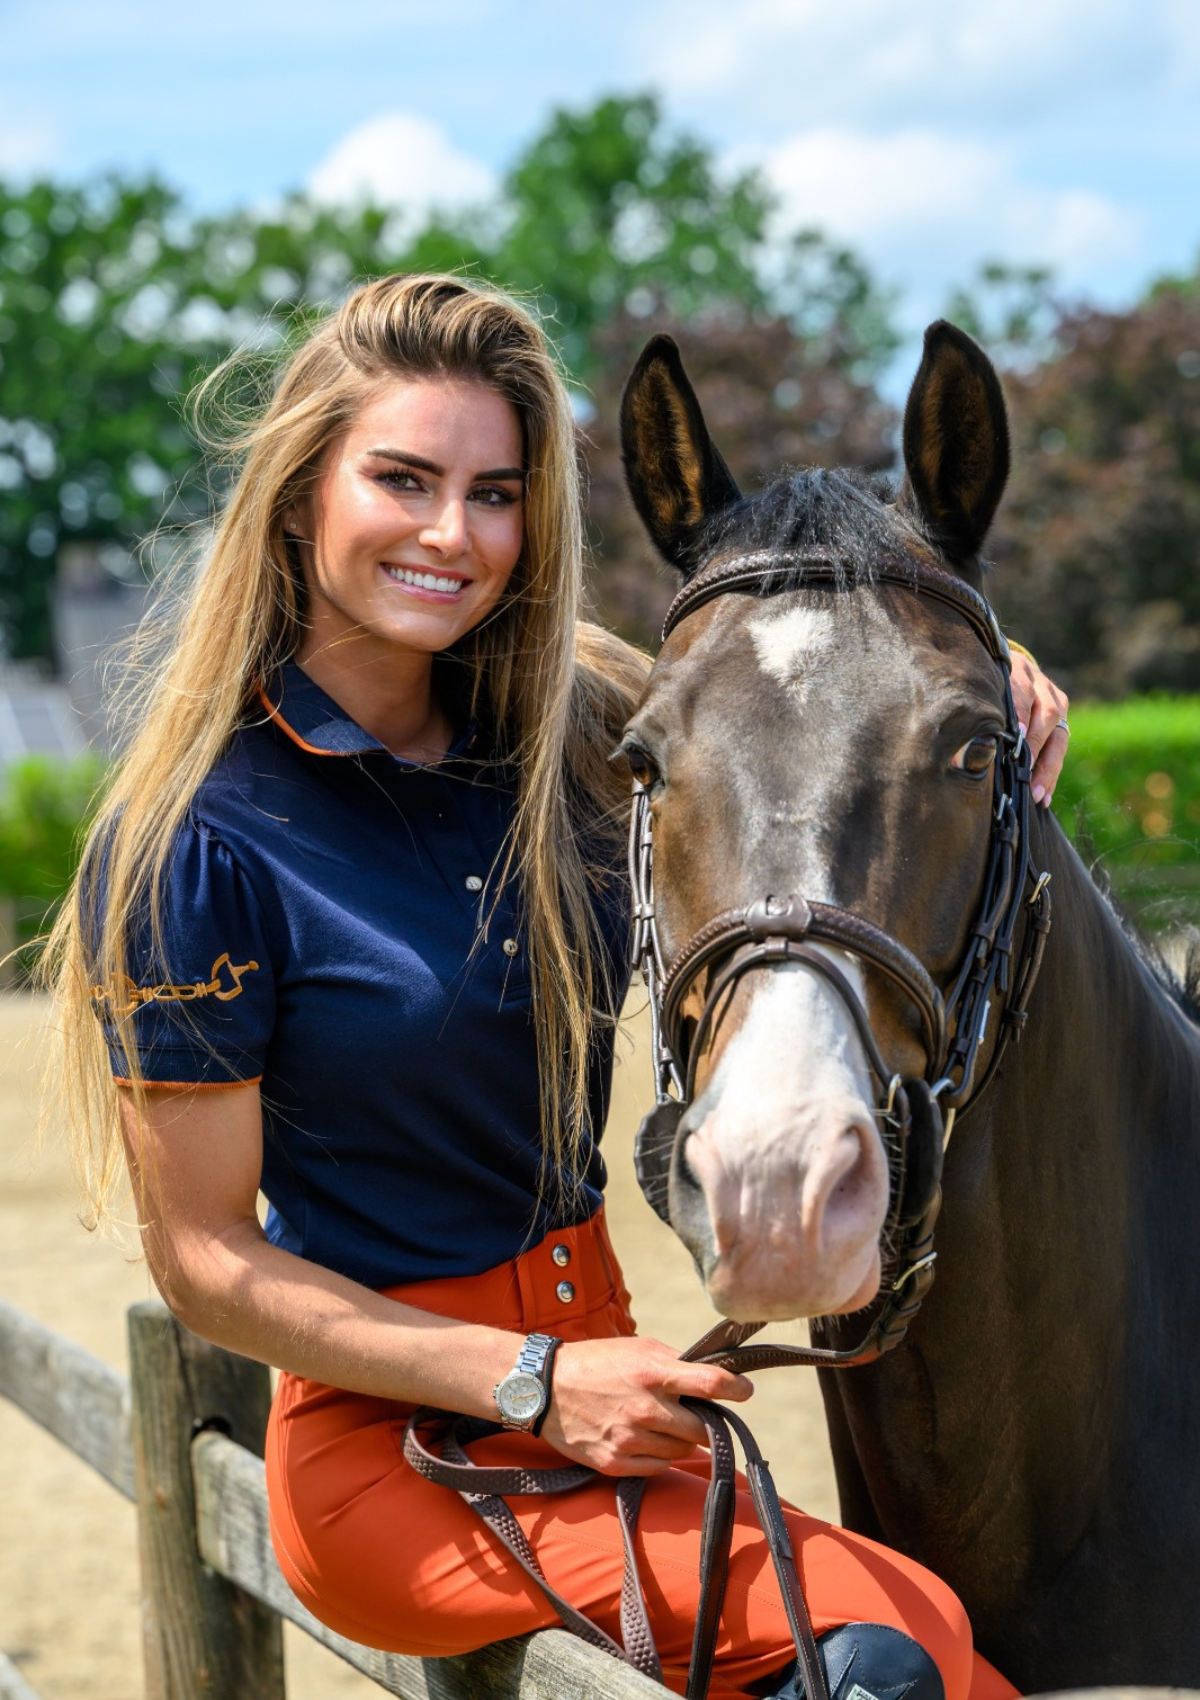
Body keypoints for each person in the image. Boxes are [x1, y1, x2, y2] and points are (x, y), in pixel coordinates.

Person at [49, 274, 1069, 1700]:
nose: (450, 533)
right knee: (896, 1663)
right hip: (399, 1450)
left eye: (494, 492)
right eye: (402, 479)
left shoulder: (577, 737)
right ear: (298, 497)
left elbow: (809, 701)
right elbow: (204, 1259)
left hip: (609, 1399)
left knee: (940, 1630)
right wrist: (529, 1380)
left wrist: (985, 676)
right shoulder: (198, 842)